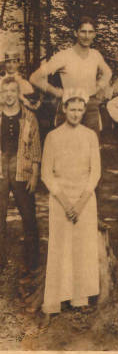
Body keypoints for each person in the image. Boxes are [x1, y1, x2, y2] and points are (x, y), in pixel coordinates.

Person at [41, 89, 101, 315]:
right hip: (60, 199)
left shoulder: (90, 136)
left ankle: (80, 297)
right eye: (72, 109)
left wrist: (80, 202)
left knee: (83, 247)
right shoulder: (53, 137)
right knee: (61, 246)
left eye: (80, 109)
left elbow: (95, 172)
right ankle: (58, 297)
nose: (76, 114)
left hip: (85, 200)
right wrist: (66, 204)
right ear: (64, 109)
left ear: (84, 111)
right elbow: (47, 173)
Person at [30, 16, 113, 135]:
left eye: (90, 32)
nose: (87, 36)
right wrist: (56, 92)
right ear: (76, 33)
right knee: (67, 147)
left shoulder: (95, 55)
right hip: (69, 106)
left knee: (91, 145)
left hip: (90, 107)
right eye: (83, 31)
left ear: (94, 34)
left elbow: (108, 73)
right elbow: (34, 78)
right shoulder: (64, 56)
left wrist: (98, 87)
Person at [0, 77, 41, 286]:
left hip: (22, 169)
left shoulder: (28, 117)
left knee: (29, 217)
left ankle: (32, 264)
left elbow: (35, 148)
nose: (8, 95)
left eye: (12, 91)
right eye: (4, 91)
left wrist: (34, 174)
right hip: (1, 170)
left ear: (18, 93)